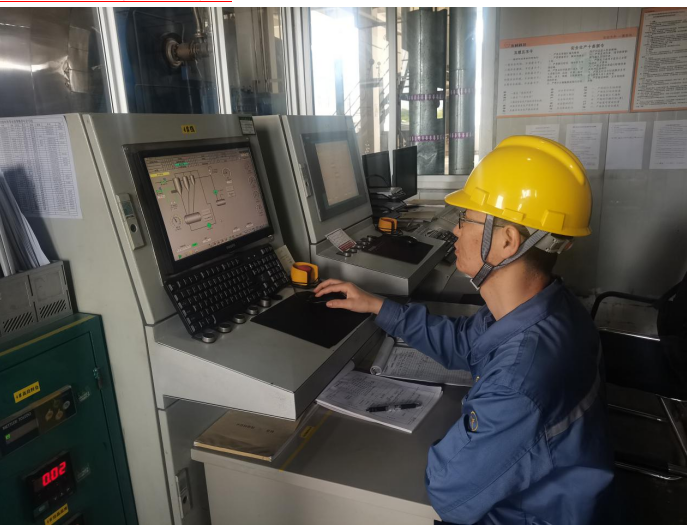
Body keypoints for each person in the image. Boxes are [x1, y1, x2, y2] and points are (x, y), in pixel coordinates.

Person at [314, 136, 615, 524]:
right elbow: (465, 343)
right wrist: (378, 306)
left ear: (506, 241)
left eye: (466, 219)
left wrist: (469, 429)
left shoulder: (518, 383)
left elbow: (447, 489)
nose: (456, 232)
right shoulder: (551, 307)